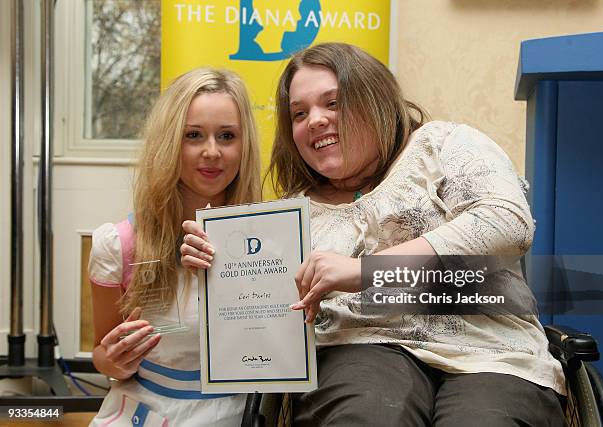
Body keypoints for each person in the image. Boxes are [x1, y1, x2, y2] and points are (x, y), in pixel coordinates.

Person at [181, 43, 565, 426]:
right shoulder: (291, 215)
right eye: (299, 113)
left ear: (375, 99)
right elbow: (268, 323)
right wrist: (217, 267)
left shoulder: (444, 143)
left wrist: (366, 270)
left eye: (333, 103)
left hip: (492, 351)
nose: (315, 120)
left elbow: (506, 222)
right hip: (361, 351)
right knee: (369, 414)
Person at [88, 67, 261, 426]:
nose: (211, 152)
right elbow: (103, 356)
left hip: (236, 412)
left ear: (245, 145)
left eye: (227, 136)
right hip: (143, 408)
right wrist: (115, 361)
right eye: (193, 135)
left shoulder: (272, 240)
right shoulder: (119, 245)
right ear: (170, 141)